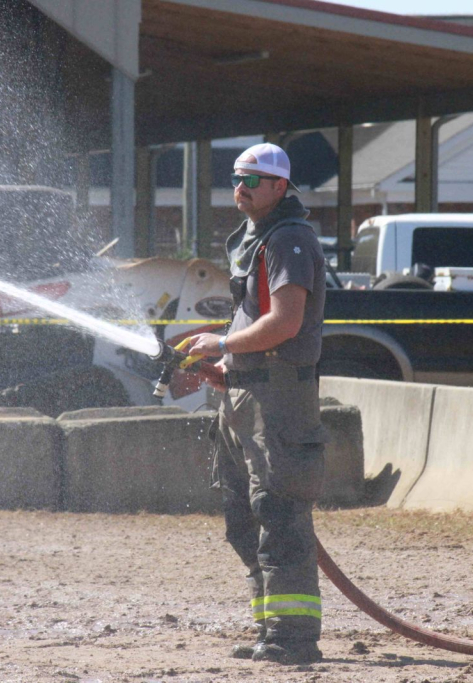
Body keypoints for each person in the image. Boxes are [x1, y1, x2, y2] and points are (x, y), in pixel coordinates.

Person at [187, 143, 327, 665]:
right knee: (241, 513)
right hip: (249, 390)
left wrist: (222, 345)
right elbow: (255, 319)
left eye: (252, 178)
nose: (239, 186)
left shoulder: (288, 238)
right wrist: (226, 367)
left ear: (278, 187)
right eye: (236, 177)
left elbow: (286, 323)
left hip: (280, 398)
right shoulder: (256, 237)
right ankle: (272, 628)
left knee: (280, 513)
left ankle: (294, 639)